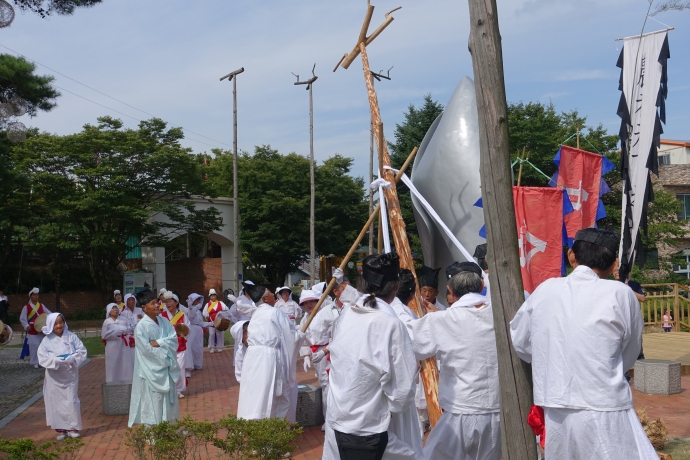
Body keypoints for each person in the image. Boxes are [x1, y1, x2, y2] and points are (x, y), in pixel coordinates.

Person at [510, 228, 656, 460]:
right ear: (613, 263)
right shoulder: (620, 293)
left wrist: (548, 360)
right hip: (603, 401)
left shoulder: (546, 289)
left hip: (555, 402)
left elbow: (520, 341)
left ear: (571, 256)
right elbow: (630, 351)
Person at [325, 253, 417, 460]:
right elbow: (402, 394)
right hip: (374, 428)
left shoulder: (347, 315)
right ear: (395, 288)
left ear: (361, 284)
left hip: (339, 419)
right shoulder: (390, 324)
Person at [413, 264, 501, 460]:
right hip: (497, 412)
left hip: (460, 412)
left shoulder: (441, 320)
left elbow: (414, 345)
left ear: (449, 290)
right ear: (480, 286)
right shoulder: (500, 314)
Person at [237, 285, 297, 421]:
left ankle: (253, 424)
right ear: (264, 299)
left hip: (252, 358)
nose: (274, 295)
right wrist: (301, 337)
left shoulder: (256, 313)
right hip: (268, 358)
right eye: (271, 293)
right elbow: (290, 335)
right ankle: (271, 427)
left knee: (254, 391)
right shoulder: (275, 312)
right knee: (273, 393)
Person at [128, 288, 180, 427]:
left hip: (166, 369)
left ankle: (170, 429)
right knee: (154, 401)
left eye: (157, 302)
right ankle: (154, 433)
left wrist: (158, 342)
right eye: (152, 303)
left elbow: (173, 340)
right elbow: (146, 351)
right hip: (151, 370)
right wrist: (166, 356)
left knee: (169, 401)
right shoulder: (141, 327)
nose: (157, 305)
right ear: (144, 308)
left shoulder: (164, 321)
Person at [37, 313, 87, 440]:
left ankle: (73, 427)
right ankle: (60, 429)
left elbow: (82, 351)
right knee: (56, 401)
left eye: (61, 322)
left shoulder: (71, 336)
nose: (59, 325)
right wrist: (55, 360)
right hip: (54, 377)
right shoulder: (46, 341)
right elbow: (42, 358)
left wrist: (72, 358)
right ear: (50, 325)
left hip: (70, 375)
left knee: (71, 399)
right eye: (55, 323)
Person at [161, 290, 191, 398]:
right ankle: (168, 389)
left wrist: (183, 337)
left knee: (180, 367)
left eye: (170, 301)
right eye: (166, 302)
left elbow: (188, 329)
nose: (168, 304)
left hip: (180, 345)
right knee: (168, 368)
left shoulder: (183, 315)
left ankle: (178, 390)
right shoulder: (162, 316)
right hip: (167, 346)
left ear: (176, 302)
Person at [20, 287, 52, 368]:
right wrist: (26, 326)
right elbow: (22, 318)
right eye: (34, 295)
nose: (36, 297)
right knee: (34, 346)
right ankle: (34, 361)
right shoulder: (26, 307)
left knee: (42, 345)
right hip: (32, 329)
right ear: (30, 296)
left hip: (41, 329)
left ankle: (42, 361)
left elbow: (49, 313)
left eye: (37, 295)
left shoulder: (41, 305)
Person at [102, 303, 130, 383]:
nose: (115, 310)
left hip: (123, 344)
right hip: (112, 345)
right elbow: (104, 335)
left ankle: (124, 381)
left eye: (116, 308)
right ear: (109, 311)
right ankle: (112, 381)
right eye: (113, 308)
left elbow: (128, 330)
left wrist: (121, 331)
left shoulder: (124, 319)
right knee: (112, 363)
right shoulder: (107, 322)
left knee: (124, 362)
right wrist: (114, 332)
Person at [118, 293, 141, 380]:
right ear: (126, 302)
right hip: (129, 338)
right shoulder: (123, 313)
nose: (131, 302)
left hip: (139, 336)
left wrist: (141, 318)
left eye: (133, 300)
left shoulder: (140, 310)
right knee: (130, 357)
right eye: (129, 300)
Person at [186, 293, 211, 370]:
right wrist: (193, 307)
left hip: (198, 330)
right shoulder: (189, 310)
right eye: (196, 299)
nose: (198, 301)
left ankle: (197, 363)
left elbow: (201, 323)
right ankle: (190, 364)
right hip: (192, 329)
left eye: (199, 299)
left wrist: (212, 323)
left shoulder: (199, 311)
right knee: (191, 347)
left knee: (198, 347)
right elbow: (190, 317)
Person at [202, 288, 230, 353]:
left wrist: (224, 314)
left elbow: (226, 309)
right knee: (211, 334)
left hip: (219, 322)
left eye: (214, 295)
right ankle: (211, 347)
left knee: (219, 334)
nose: (213, 297)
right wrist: (206, 315)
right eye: (211, 296)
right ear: (210, 297)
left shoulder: (220, 303)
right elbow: (204, 312)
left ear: (216, 296)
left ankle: (219, 347)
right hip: (211, 322)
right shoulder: (207, 304)